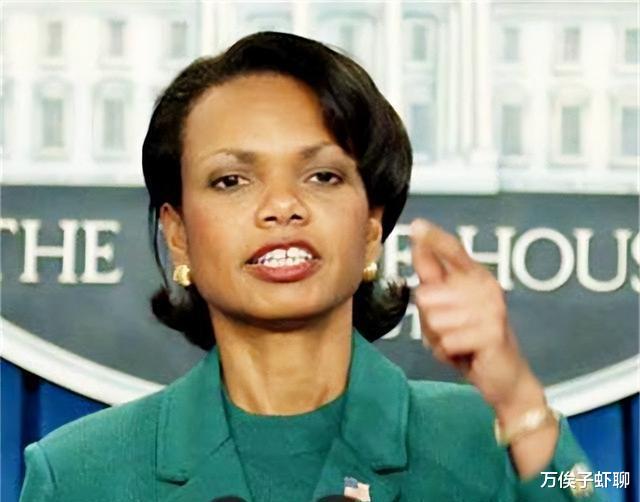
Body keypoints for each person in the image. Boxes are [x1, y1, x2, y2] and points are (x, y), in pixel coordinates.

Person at [19, 31, 601, 502]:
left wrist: (519, 398)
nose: (282, 206)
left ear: (370, 228)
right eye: (232, 180)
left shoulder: (487, 438)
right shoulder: (79, 473)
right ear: (179, 236)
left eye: (323, 175)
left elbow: (589, 486)